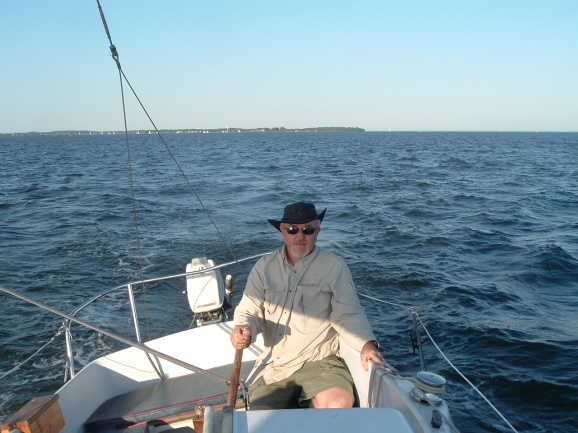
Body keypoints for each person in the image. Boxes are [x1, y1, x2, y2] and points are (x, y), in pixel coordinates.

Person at [230, 201, 384, 410]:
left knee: (339, 404)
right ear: (282, 231)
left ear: (317, 232)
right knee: (260, 418)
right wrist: (245, 328)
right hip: (276, 365)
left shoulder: (334, 267)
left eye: (308, 230)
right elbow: (250, 309)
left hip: (321, 361)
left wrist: (366, 344)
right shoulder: (263, 268)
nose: (300, 236)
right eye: (292, 230)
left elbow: (348, 313)